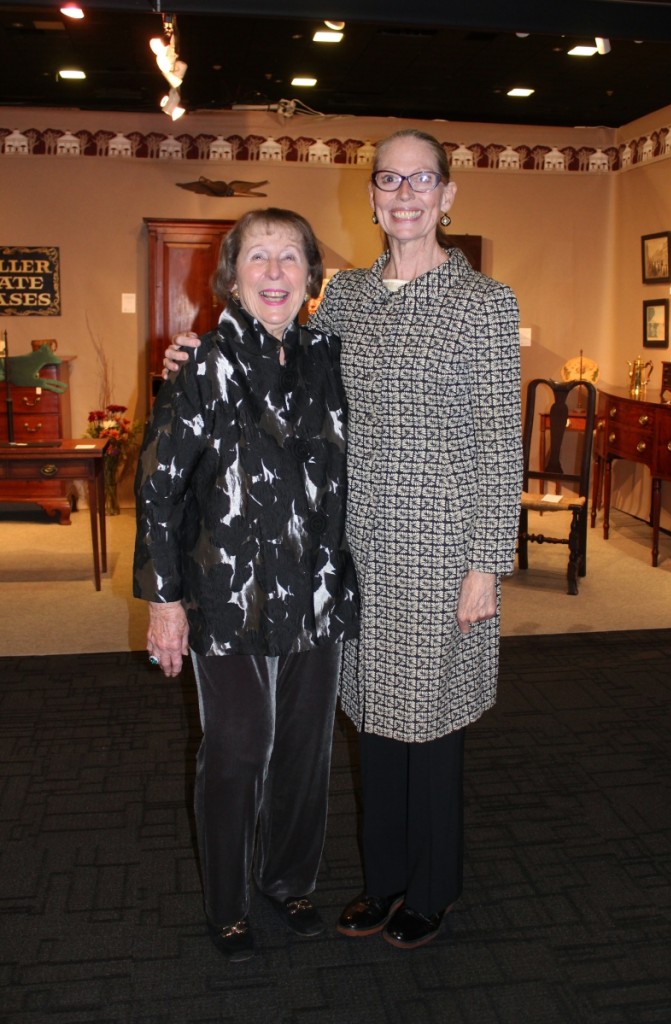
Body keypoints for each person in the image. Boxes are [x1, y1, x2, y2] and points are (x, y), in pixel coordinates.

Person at [166, 129, 523, 949]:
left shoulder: (485, 304)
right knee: (373, 721)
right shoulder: (350, 299)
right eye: (389, 180)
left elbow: (501, 443)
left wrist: (485, 565)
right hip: (353, 549)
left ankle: (432, 887)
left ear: (448, 195)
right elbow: (276, 352)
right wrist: (197, 350)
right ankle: (384, 879)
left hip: (442, 549)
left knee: (432, 722)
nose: (405, 195)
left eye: (421, 180)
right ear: (371, 196)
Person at [134, 208, 358, 963]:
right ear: (231, 276)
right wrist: (164, 601)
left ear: (309, 278)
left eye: (289, 257)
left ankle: (289, 882)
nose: (273, 271)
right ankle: (228, 903)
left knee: (303, 748)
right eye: (257, 257)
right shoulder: (200, 364)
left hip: (317, 588)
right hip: (224, 594)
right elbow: (159, 486)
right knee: (237, 747)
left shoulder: (332, 355)